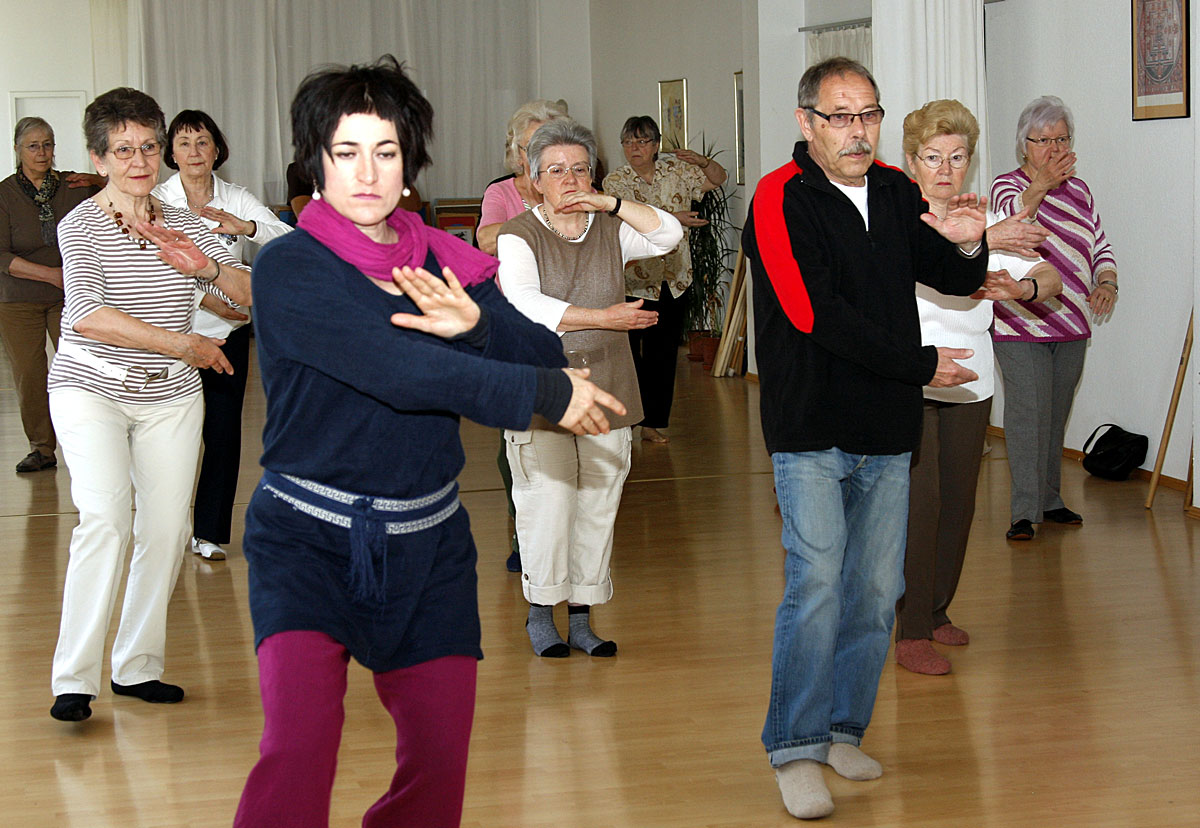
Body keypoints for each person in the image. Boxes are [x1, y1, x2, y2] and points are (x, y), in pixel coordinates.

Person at [231, 57, 623, 828]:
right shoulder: (290, 269)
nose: (367, 172)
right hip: (306, 541)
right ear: (315, 160)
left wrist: (476, 326)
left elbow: (540, 351)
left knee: (439, 769)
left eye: (386, 150)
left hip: (429, 545)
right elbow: (401, 372)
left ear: (410, 161)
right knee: (300, 749)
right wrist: (544, 396)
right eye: (346, 151)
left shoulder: (444, 257)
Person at [741, 57, 987, 819]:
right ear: (806, 121)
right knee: (816, 587)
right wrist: (920, 365)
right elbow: (814, 313)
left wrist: (971, 243)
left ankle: (844, 728)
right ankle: (794, 746)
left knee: (876, 592)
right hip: (810, 423)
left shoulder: (893, 187)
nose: (857, 130)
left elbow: (948, 273)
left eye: (869, 114)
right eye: (841, 116)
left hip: (886, 426)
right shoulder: (778, 198)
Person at [47, 87, 252, 723]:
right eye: (124, 150)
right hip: (90, 388)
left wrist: (206, 268)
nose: (140, 160)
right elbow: (87, 316)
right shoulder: (78, 225)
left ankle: (136, 668)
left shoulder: (186, 222)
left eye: (148, 147)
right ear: (98, 157)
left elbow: (247, 299)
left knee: (165, 531)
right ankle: (73, 679)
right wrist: (184, 342)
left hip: (168, 395)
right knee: (106, 517)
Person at [497, 118, 683, 658]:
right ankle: (540, 613)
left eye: (580, 169)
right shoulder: (518, 235)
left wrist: (613, 205)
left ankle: (581, 617)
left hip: (608, 386)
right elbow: (525, 304)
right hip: (543, 388)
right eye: (556, 170)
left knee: (598, 506)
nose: (570, 179)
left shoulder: (608, 228)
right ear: (534, 180)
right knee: (547, 504)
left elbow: (667, 234)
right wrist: (604, 316)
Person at [896, 99, 1062, 676]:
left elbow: (1049, 274)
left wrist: (1023, 292)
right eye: (933, 156)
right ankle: (910, 626)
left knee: (960, 504)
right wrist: (984, 240)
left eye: (957, 156)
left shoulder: (988, 219)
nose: (945, 168)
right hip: (913, 380)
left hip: (971, 386)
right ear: (913, 161)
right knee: (922, 505)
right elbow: (928, 262)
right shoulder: (902, 222)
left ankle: (938, 610)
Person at [153, 109, 293, 561]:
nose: (193, 152)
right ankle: (164, 530)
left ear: (217, 150)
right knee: (172, 434)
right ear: (170, 152)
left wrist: (248, 227)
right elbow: (151, 266)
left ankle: (209, 532)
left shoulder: (235, 197)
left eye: (202, 142)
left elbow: (286, 240)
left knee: (223, 431)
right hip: (173, 332)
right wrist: (204, 300)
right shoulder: (156, 199)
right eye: (184, 143)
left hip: (228, 334)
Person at [990, 95, 1118, 541]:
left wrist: (1107, 282)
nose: (1054, 148)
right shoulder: (1006, 186)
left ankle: (1050, 500)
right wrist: (1040, 183)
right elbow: (1011, 221)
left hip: (1073, 323)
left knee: (1054, 416)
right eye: (1043, 140)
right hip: (1019, 323)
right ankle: (1023, 512)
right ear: (1024, 145)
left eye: (1062, 138)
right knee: (1028, 416)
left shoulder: (1081, 192)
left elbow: (1099, 244)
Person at [476, 98, 570, 573]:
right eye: (532, 145)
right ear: (517, 153)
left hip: (567, 324)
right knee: (515, 434)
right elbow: (485, 239)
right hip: (512, 327)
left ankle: (564, 532)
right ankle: (523, 530)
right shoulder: (502, 194)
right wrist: (536, 214)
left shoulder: (573, 188)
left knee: (564, 430)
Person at [603, 115, 726, 443]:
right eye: (628, 142)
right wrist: (676, 218)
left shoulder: (679, 172)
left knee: (663, 355)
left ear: (656, 145)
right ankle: (626, 421)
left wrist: (702, 161)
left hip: (675, 278)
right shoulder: (616, 182)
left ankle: (652, 424)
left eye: (641, 142)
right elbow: (626, 221)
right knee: (629, 355)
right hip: (634, 281)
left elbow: (717, 178)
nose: (634, 148)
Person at [0, 117, 102, 473]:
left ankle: (92, 440)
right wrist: (50, 275)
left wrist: (99, 179)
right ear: (17, 150)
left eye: (47, 144)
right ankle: (42, 448)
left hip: (70, 295)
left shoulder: (74, 185)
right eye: (33, 145)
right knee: (30, 374)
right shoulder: (4, 194)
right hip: (18, 297)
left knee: (79, 368)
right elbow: (1, 255)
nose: (42, 152)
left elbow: (122, 192)